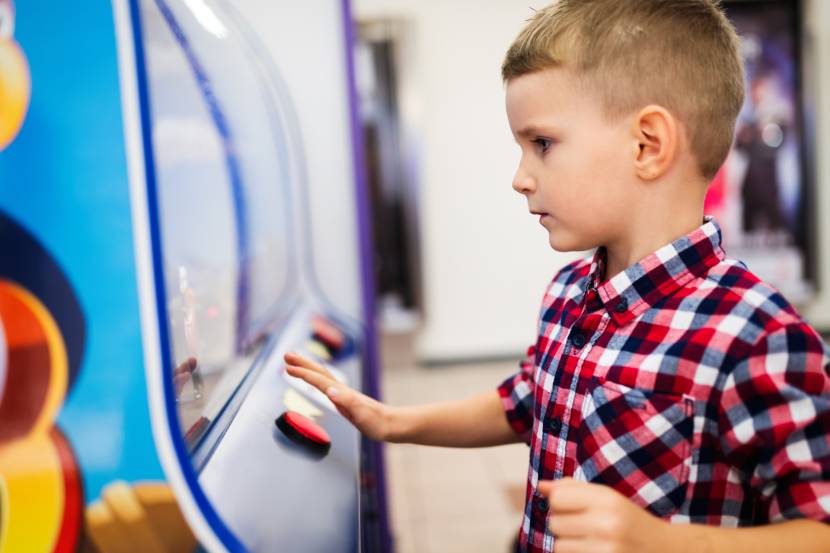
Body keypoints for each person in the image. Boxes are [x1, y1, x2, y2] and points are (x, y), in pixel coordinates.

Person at [285, 1, 830, 551]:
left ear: (648, 145)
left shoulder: (757, 336)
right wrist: (394, 423)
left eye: (541, 144)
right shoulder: (569, 292)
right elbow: (526, 401)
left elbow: (818, 529)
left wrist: (661, 543)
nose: (520, 178)